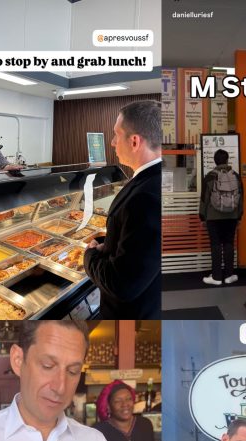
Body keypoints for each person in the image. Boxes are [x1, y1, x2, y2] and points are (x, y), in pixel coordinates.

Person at [84, 100, 161, 319]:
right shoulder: (154, 179)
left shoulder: (146, 196)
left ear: (134, 141)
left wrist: (89, 255)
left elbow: (123, 285)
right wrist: (107, 243)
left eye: (117, 135)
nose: (112, 142)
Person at [199, 149, 243, 285]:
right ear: (227, 160)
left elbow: (204, 199)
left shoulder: (210, 176)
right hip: (232, 216)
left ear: (215, 160)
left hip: (213, 216)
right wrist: (239, 216)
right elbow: (242, 198)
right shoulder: (236, 176)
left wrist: (202, 217)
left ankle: (216, 277)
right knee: (229, 243)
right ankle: (229, 275)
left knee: (216, 245)